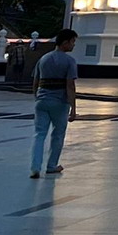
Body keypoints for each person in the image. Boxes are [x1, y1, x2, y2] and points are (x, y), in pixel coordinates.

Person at [30, 29, 79, 178]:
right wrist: (73, 109)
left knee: (39, 134)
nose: (73, 45)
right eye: (72, 42)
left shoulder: (44, 58)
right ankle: (51, 165)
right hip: (59, 103)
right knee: (57, 134)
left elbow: (36, 82)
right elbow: (70, 85)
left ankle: (35, 167)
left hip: (42, 101)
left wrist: (37, 97)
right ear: (65, 43)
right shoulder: (69, 61)